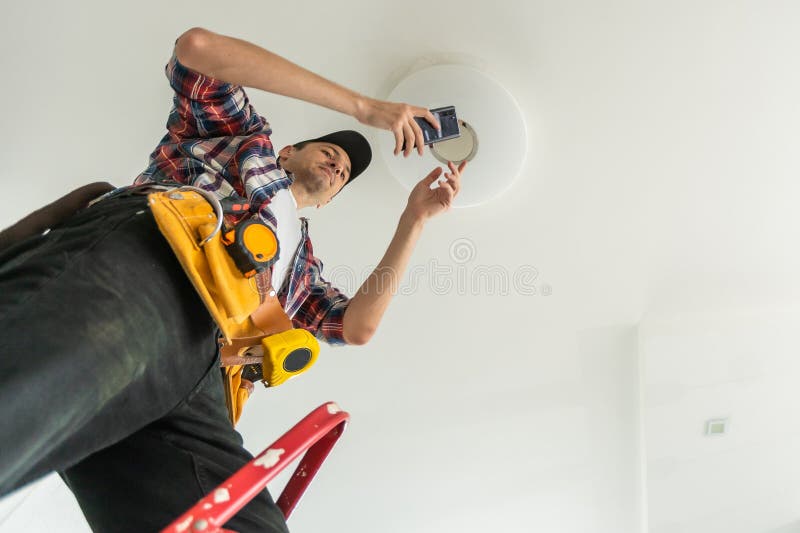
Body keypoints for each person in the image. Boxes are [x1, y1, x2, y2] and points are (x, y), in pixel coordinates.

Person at [0, 27, 465, 532]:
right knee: (22, 402)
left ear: (332, 200)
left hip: (206, 379)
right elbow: (198, 50)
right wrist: (366, 109)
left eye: (346, 170)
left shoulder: (300, 271)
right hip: (154, 268)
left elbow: (357, 327)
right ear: (287, 152)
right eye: (329, 151)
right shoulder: (241, 142)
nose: (338, 163)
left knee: (249, 525)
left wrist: (414, 219)